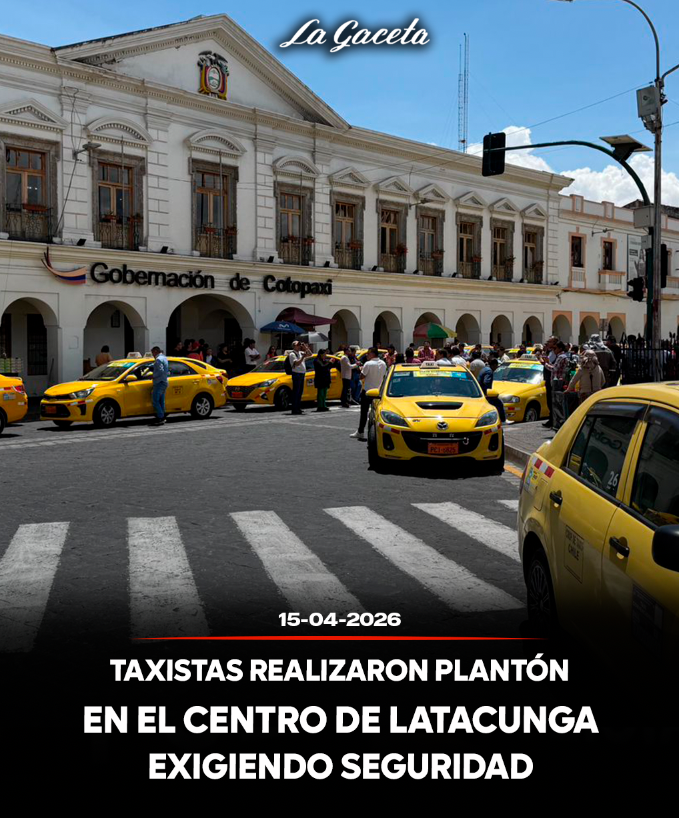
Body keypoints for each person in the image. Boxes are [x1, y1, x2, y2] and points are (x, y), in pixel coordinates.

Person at [350, 348, 386, 441]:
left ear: (373, 354)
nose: (367, 355)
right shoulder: (383, 363)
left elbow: (361, 376)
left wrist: (361, 370)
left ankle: (360, 431)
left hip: (367, 391)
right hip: (378, 391)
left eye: (368, 353)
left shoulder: (368, 364)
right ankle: (378, 433)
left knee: (364, 413)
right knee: (377, 413)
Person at [288, 340, 311, 415]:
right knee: (296, 392)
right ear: (294, 346)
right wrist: (303, 357)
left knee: (300, 392)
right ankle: (294, 409)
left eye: (299, 345)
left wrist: (306, 347)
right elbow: (296, 363)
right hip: (296, 374)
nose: (299, 346)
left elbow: (310, 354)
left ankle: (298, 407)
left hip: (302, 374)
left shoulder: (300, 352)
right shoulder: (292, 354)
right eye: (297, 345)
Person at [150, 345, 169, 426]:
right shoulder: (164, 358)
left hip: (159, 382)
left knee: (155, 401)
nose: (152, 355)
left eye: (152, 353)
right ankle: (163, 417)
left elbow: (160, 371)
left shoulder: (158, 359)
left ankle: (160, 418)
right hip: (164, 382)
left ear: (155, 352)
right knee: (161, 401)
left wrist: (153, 376)